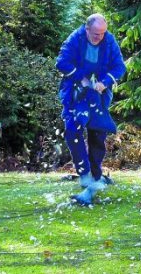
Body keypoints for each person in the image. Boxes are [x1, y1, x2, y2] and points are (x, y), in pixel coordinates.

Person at [55, 13, 126, 188]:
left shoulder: (109, 41)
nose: (99, 38)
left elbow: (120, 67)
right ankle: (83, 173)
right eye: (96, 34)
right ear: (87, 29)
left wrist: (105, 82)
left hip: (99, 93)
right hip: (74, 92)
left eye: (102, 34)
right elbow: (61, 62)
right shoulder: (75, 39)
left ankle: (96, 175)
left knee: (98, 132)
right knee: (73, 130)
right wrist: (81, 78)